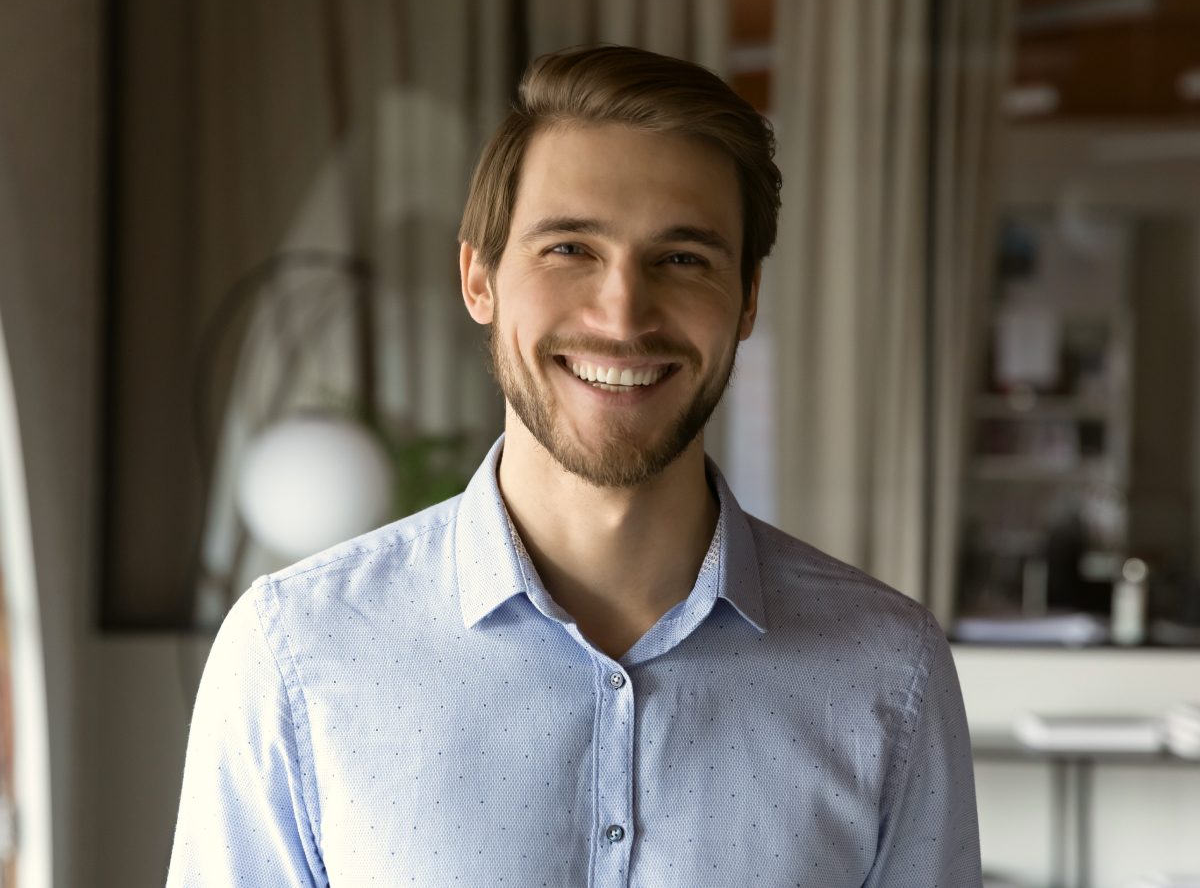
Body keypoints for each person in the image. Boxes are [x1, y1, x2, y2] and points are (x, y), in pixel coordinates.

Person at [167, 45, 982, 887]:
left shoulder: (891, 673)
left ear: (746, 302)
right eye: (569, 249)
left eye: (683, 259)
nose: (622, 313)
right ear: (478, 278)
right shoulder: (295, 651)